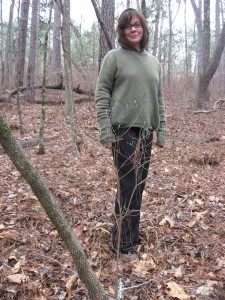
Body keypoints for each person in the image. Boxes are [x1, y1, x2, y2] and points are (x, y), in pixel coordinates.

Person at [95, 8, 167, 256]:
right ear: (122, 31)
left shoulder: (154, 62)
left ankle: (131, 236)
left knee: (139, 186)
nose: (133, 29)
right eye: (127, 26)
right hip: (122, 130)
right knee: (128, 185)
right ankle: (121, 244)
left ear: (144, 28)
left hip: (146, 131)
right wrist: (105, 129)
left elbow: (159, 99)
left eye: (137, 25)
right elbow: (102, 93)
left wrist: (162, 131)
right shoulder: (114, 58)